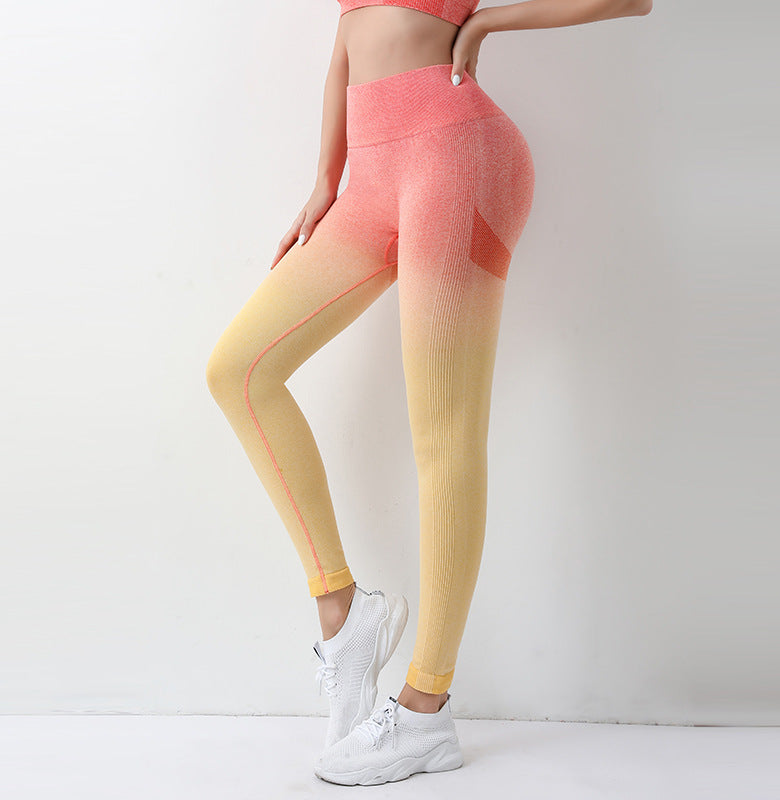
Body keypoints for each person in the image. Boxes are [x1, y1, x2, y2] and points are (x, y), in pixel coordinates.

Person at [206, 0, 652, 786]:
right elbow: (346, 41)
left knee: (444, 437)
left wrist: (484, 25)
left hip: (455, 152)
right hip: (372, 174)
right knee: (239, 370)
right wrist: (326, 177)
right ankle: (344, 613)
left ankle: (426, 709)